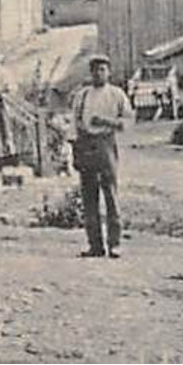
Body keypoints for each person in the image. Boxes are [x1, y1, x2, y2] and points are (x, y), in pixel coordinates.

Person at [70, 55, 132, 258]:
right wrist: (76, 149)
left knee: (111, 195)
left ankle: (114, 243)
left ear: (109, 72)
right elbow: (74, 124)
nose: (99, 73)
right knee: (89, 196)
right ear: (91, 73)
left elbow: (128, 122)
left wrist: (106, 121)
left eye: (103, 70)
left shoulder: (116, 94)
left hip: (106, 144)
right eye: (95, 70)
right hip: (87, 144)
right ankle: (95, 244)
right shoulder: (83, 95)